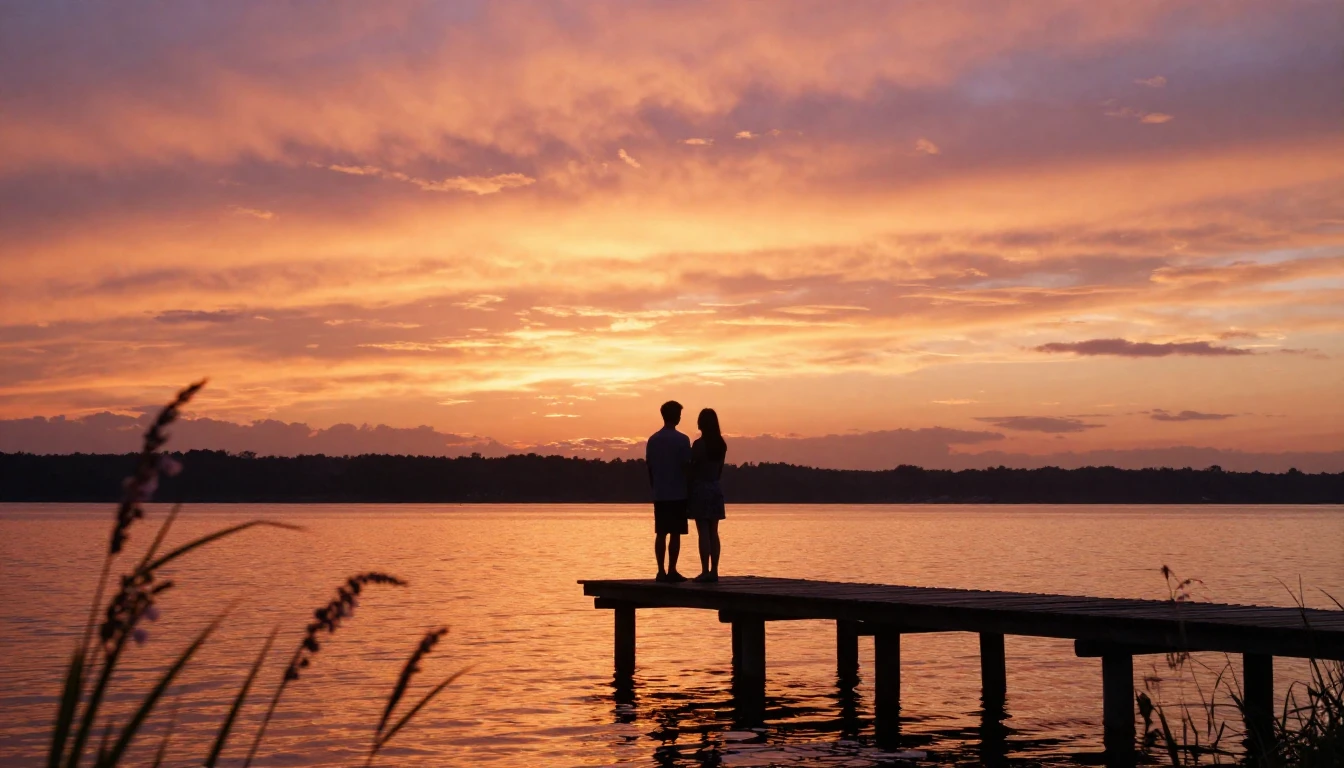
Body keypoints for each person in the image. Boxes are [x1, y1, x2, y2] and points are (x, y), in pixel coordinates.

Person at [646, 400, 691, 582]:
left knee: (661, 532)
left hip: (660, 492)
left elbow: (650, 466)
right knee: (675, 533)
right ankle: (672, 569)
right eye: (679, 414)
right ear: (676, 416)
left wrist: (654, 486)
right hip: (678, 492)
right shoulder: (682, 440)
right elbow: (686, 466)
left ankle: (660, 571)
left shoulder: (653, 440)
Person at [687, 408, 727, 582]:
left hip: (701, 488)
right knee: (714, 532)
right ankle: (715, 570)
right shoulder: (721, 445)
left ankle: (705, 571)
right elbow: (719, 470)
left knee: (703, 532)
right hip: (715, 488)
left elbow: (692, 468)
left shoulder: (698, 445)